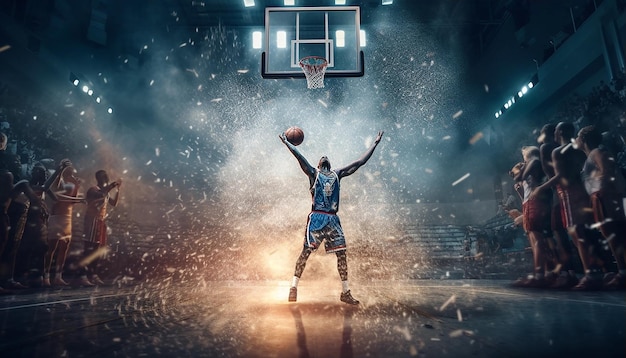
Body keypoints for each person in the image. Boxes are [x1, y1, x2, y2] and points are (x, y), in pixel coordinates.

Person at [280, 130, 384, 305]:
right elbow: (299, 157)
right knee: (305, 252)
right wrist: (287, 143)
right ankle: (293, 287)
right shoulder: (313, 173)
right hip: (317, 218)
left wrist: (375, 143)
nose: (324, 156)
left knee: (342, 255)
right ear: (319, 165)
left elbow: (360, 162)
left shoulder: (338, 174)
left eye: (326, 157)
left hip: (333, 219)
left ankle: (345, 292)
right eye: (322, 157)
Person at [534, 122, 604, 290]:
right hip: (584, 191)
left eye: (557, 131)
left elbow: (560, 175)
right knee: (588, 233)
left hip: (568, 193)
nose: (555, 134)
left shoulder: (557, 151)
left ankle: (589, 275)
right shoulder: (579, 150)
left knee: (577, 234)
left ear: (560, 132)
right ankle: (599, 272)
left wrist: (541, 188)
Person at [577, 125, 626, 289]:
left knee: (614, 234)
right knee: (611, 235)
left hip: (605, 196)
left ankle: (623, 272)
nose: (575, 140)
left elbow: (607, 171)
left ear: (584, 139)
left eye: (578, 136)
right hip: (600, 196)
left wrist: (599, 188)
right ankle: (621, 271)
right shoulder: (590, 155)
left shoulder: (596, 152)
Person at [539, 123, 578, 288]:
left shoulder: (547, 147)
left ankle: (567, 273)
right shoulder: (572, 147)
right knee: (577, 230)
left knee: (558, 231)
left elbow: (550, 173)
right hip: (577, 189)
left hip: (558, 192)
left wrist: (542, 187)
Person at [511, 146, 552, 288]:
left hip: (535, 203)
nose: (522, 159)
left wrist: (518, 170)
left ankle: (539, 275)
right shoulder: (532, 165)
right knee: (534, 241)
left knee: (538, 241)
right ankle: (544, 274)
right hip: (529, 203)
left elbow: (517, 176)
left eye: (523, 155)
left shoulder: (534, 161)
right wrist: (520, 191)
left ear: (527, 154)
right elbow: (526, 192)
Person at [43, 160, 84, 287]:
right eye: (69, 172)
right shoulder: (59, 183)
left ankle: (58, 276)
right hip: (57, 217)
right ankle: (45, 277)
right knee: (52, 248)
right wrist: (60, 169)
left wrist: (77, 187)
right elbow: (58, 196)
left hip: (67, 218)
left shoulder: (71, 185)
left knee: (64, 247)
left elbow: (71, 203)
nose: (72, 174)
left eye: (72, 171)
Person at [78, 170, 122, 286]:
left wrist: (118, 189)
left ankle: (93, 275)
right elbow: (101, 194)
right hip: (92, 221)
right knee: (89, 249)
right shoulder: (93, 190)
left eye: (106, 177)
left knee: (97, 250)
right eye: (104, 177)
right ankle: (83, 275)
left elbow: (114, 203)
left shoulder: (105, 192)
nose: (106, 178)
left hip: (100, 222)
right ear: (99, 178)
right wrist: (112, 185)